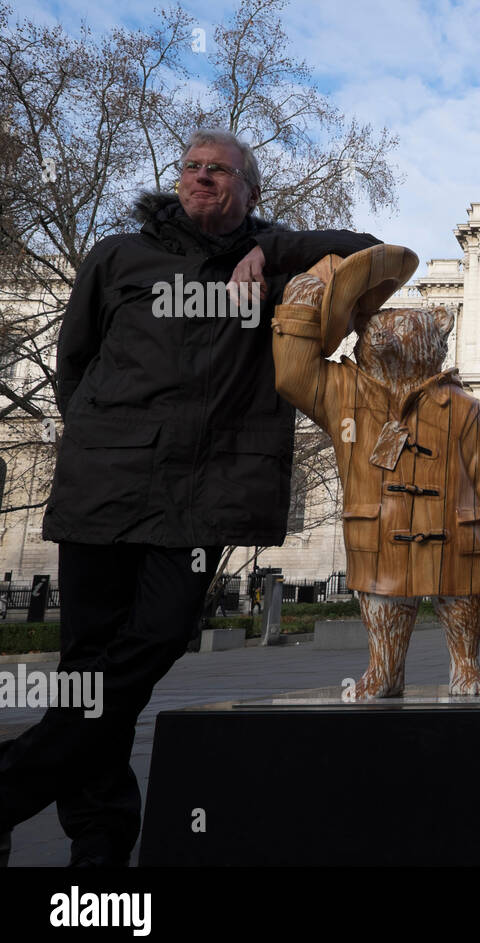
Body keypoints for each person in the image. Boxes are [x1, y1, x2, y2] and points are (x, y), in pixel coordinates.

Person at [0, 129, 379, 868]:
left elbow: (373, 252)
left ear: (250, 192)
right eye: (192, 167)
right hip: (105, 486)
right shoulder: (118, 255)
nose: (201, 178)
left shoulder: (272, 263)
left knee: (160, 638)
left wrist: (273, 249)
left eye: (220, 171)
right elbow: (73, 364)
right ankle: (100, 852)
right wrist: (99, 438)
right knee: (89, 668)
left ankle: (12, 787)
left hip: (202, 497)